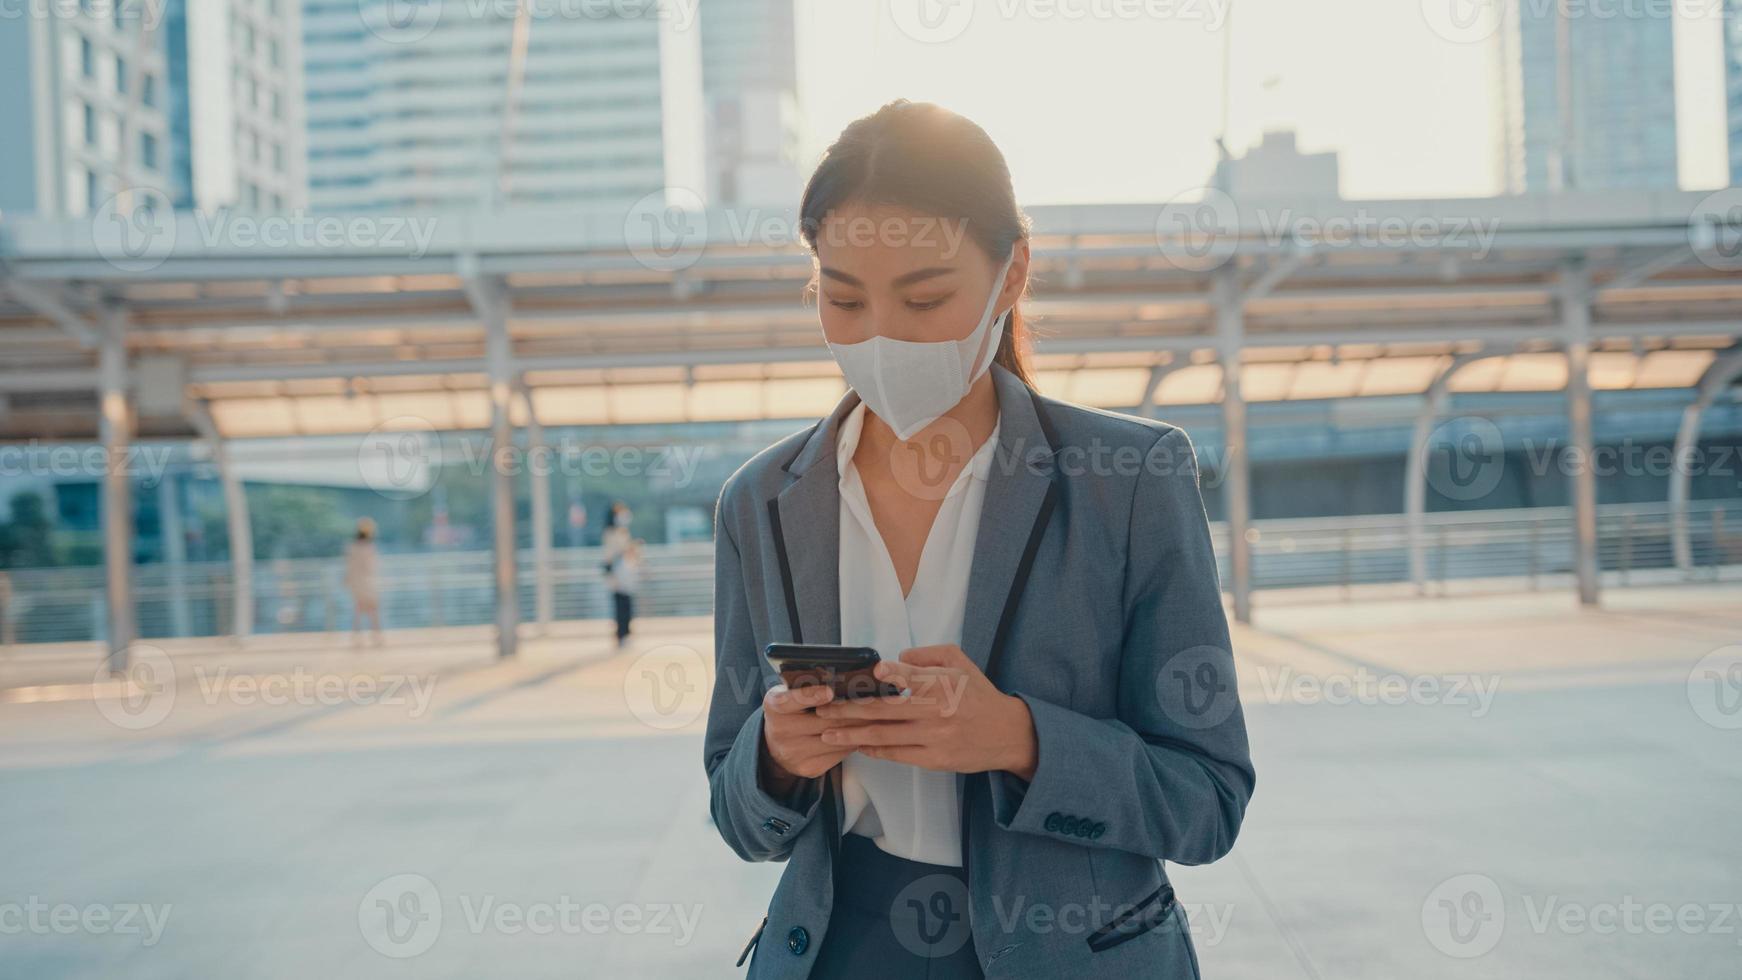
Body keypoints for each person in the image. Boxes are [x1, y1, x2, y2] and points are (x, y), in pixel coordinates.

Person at [703, 101, 1255, 979]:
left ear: (1012, 275)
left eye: (925, 297)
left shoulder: (1130, 479)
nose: (882, 334)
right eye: (843, 298)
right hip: (842, 951)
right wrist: (772, 761)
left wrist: (1019, 739)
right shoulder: (761, 503)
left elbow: (1209, 801)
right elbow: (736, 813)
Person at [344, 517, 383, 648]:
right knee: (373, 609)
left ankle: (357, 638)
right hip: (367, 581)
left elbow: (349, 566)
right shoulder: (369, 547)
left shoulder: (352, 547)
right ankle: (376, 637)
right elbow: (370, 566)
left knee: (358, 609)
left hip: (356, 582)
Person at [607, 537, 644, 647]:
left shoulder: (632, 561)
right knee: (621, 616)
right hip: (620, 591)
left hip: (627, 591)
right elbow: (617, 576)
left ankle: (625, 635)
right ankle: (621, 636)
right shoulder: (621, 561)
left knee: (627, 615)